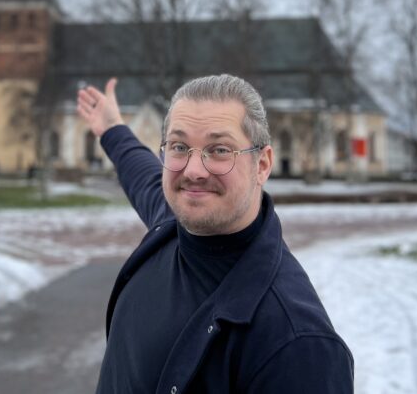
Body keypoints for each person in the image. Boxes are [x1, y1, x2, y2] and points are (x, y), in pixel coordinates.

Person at [77, 74, 354, 394]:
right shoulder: (170, 225)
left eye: (219, 150)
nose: (193, 170)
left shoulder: (297, 344)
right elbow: (143, 174)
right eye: (180, 147)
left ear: (262, 165)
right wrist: (113, 129)